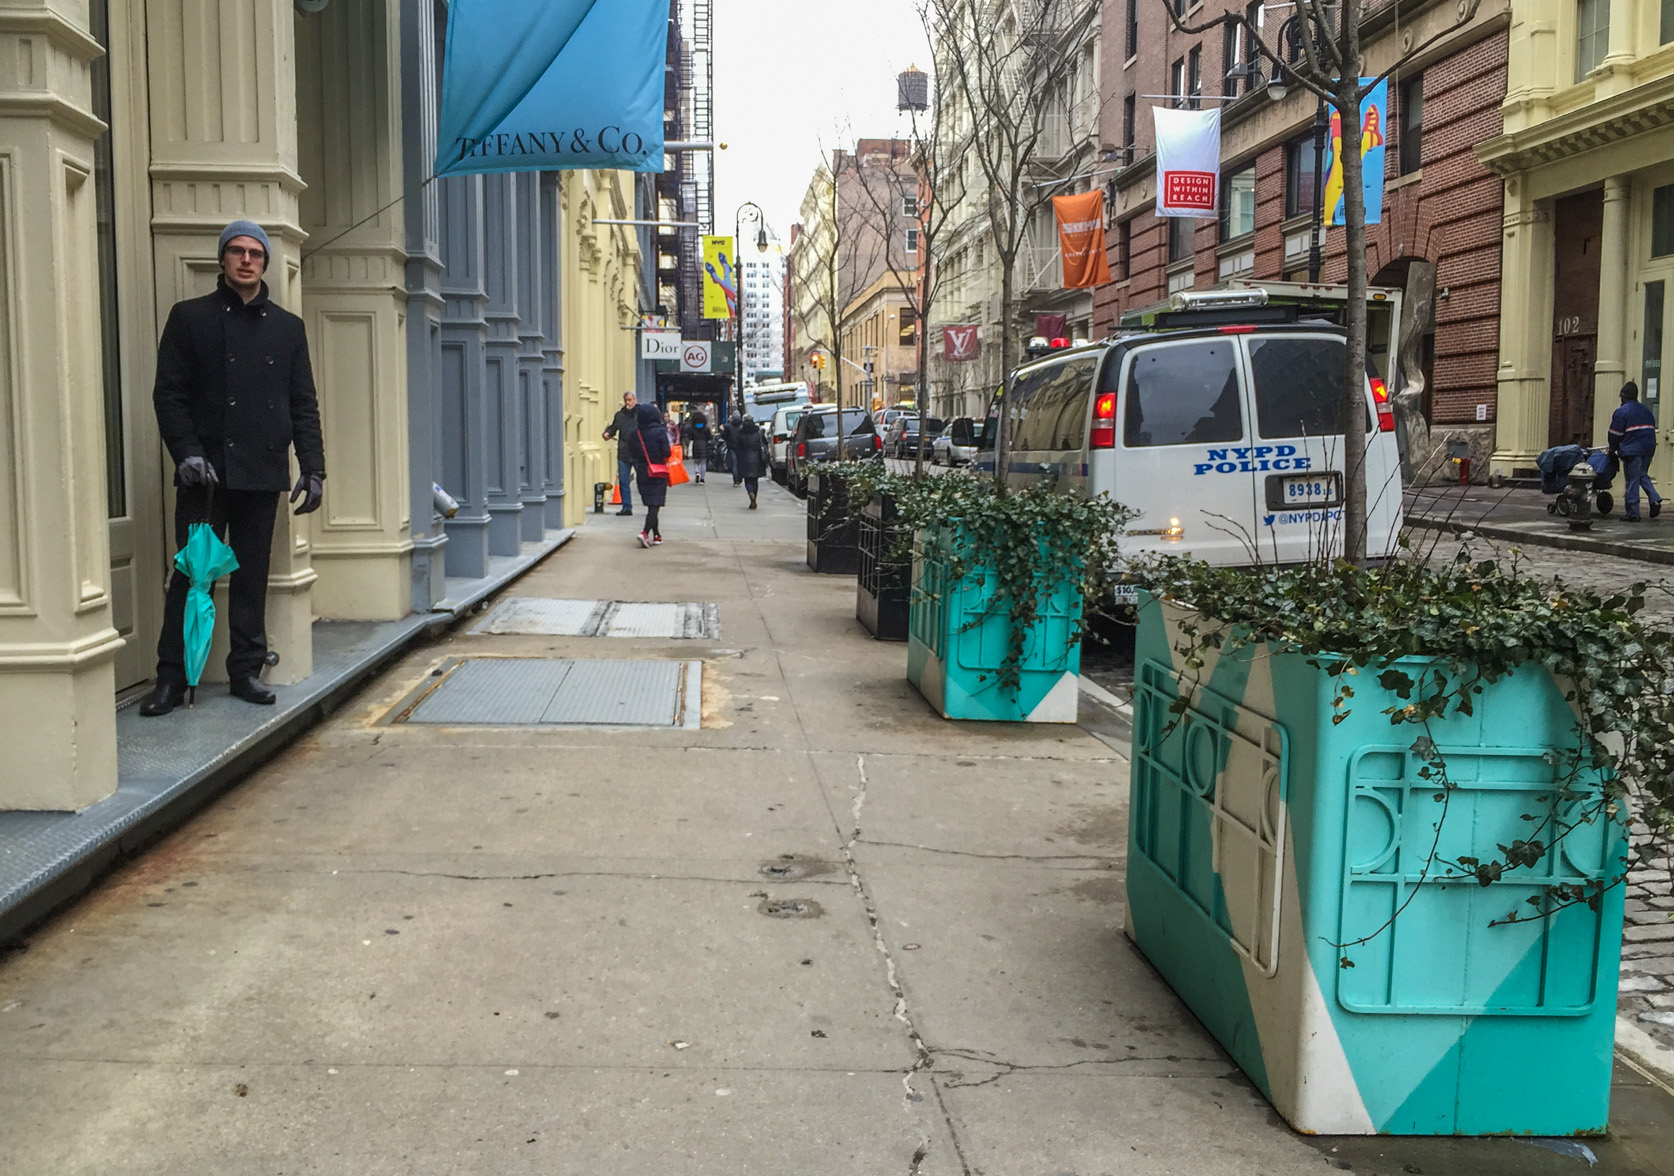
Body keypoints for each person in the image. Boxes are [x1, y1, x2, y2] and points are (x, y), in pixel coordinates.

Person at [139, 219, 325, 717]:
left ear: (265, 262)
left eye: (256, 253)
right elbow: (169, 394)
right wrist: (188, 454)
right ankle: (171, 677)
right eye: (237, 252)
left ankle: (245, 670)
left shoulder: (288, 328)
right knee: (192, 576)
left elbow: (303, 403)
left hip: (262, 471)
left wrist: (313, 468)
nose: (246, 260)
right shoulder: (189, 318)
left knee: (252, 575)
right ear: (222, 260)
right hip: (207, 475)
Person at [1608, 380, 1662, 522]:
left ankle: (1633, 513)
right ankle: (1655, 499)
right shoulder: (1646, 410)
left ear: (1623, 397)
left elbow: (1615, 434)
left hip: (1632, 450)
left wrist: (1612, 449)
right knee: (1642, 474)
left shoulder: (1622, 411)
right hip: (1649, 447)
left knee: (1632, 480)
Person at [630, 400, 672, 546]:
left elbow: (632, 452)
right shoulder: (660, 432)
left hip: (642, 471)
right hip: (658, 470)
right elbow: (667, 451)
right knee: (655, 505)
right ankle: (645, 532)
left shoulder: (635, 433)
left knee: (652, 505)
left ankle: (657, 535)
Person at [601, 391, 639, 516]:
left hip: (639, 453)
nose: (628, 403)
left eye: (630, 400)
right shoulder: (620, 415)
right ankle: (627, 507)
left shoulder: (641, 413)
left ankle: (650, 503)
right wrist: (607, 433)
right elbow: (613, 428)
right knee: (623, 481)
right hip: (624, 452)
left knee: (643, 480)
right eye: (626, 400)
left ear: (635, 400)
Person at [734, 414, 771, 509]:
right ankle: (754, 495)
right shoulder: (758, 431)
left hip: (745, 458)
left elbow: (738, 446)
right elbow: (765, 443)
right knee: (755, 480)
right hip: (757, 458)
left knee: (747, 479)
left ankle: (750, 492)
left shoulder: (741, 432)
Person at [683, 408, 709, 483]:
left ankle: (697, 472)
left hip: (696, 444)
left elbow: (690, 437)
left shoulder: (693, 428)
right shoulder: (706, 428)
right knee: (703, 462)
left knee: (696, 461)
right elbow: (709, 437)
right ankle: (702, 478)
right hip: (704, 444)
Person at [722, 412, 745, 485]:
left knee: (734, 464)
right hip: (741, 448)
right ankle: (740, 478)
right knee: (740, 463)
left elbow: (724, 436)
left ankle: (735, 480)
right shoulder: (742, 427)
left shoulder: (728, 427)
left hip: (732, 447)